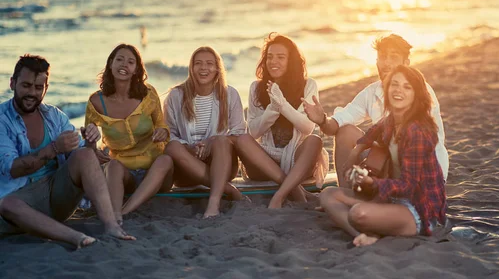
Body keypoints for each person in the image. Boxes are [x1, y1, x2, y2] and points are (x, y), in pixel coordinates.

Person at [0, 55, 135, 248]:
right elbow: (12, 168)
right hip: (20, 203)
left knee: (85, 154)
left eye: (39, 88)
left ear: (46, 88)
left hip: (56, 197)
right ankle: (75, 238)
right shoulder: (2, 120)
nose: (32, 93)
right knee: (6, 204)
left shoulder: (54, 116)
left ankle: (111, 226)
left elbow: (82, 161)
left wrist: (90, 143)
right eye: (26, 85)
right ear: (12, 83)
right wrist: (54, 148)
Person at [319, 65, 447, 247]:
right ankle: (364, 235)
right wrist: (356, 151)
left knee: (358, 213)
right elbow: (372, 131)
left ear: (416, 96)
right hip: (390, 199)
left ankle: (371, 232)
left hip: (418, 209)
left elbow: (409, 186)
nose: (398, 90)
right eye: (394, 84)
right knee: (327, 195)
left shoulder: (417, 131)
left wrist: (372, 183)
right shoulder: (392, 120)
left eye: (407, 87)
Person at [303, 34, 449, 186]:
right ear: (376, 61)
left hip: (421, 169)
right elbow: (337, 123)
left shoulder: (420, 90)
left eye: (393, 57)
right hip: (386, 161)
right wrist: (322, 120)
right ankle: (345, 192)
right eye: (383, 57)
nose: (386, 63)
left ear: (406, 63)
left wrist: (358, 150)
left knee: (381, 149)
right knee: (345, 132)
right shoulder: (371, 92)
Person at [234, 33, 329, 209]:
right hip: (264, 164)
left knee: (315, 140)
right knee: (241, 139)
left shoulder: (308, 85)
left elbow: (307, 127)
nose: (273, 61)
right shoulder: (256, 88)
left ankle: (279, 195)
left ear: (291, 60)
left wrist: (283, 105)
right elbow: (254, 132)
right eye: (269, 57)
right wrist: (272, 108)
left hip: (297, 162)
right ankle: (295, 190)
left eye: (280, 57)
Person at [85, 44, 173, 225]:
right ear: (110, 64)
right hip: (124, 175)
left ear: (136, 70)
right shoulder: (96, 101)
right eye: (119, 59)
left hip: (155, 172)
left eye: (130, 62)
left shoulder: (148, 94)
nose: (124, 65)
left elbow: (162, 125)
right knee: (113, 166)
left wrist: (162, 132)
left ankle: (125, 211)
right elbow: (89, 144)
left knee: (166, 160)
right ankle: (115, 214)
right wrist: (94, 148)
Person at [163, 46, 246, 218]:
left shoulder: (229, 94)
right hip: (186, 166)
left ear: (217, 68)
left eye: (209, 63)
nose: (203, 68)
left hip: (221, 163)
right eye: (198, 63)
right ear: (191, 68)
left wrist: (212, 141)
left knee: (222, 141)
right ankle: (228, 189)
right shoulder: (176, 96)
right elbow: (168, 132)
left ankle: (213, 204)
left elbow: (239, 132)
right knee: (172, 147)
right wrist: (189, 148)